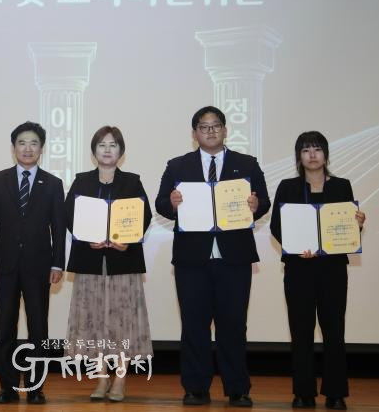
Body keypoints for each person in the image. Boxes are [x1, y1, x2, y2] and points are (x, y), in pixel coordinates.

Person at [155, 105, 270, 407]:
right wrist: (172, 203)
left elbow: (264, 201)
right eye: (203, 127)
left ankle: (238, 389)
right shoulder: (178, 166)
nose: (210, 131)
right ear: (194, 133)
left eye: (216, 125)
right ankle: (195, 388)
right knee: (194, 325)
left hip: (235, 258)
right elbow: (161, 204)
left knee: (234, 324)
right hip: (192, 259)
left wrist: (256, 204)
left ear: (225, 130)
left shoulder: (246, 164)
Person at [270, 131, 365, 410]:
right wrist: (296, 246)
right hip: (299, 269)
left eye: (317, 149)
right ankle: (303, 392)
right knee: (301, 332)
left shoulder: (342, 186)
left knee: (334, 331)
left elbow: (346, 228)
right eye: (305, 150)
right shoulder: (288, 187)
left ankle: (335, 393)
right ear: (298, 157)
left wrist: (357, 224)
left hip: (332, 270)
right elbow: (277, 225)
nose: (312, 155)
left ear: (326, 154)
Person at [0, 121, 66, 404]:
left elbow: (58, 227)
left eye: (34, 143)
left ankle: (35, 387)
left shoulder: (53, 184)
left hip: (39, 266)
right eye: (22, 143)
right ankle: (7, 387)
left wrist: (57, 263)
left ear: (41, 148)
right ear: (14, 147)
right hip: (3, 265)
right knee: (6, 327)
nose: (27, 148)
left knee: (38, 329)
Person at [65, 126, 153, 402]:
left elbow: (144, 216)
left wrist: (128, 240)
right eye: (101, 145)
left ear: (121, 151)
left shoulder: (132, 182)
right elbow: (69, 215)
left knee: (122, 321)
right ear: (94, 151)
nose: (107, 149)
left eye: (113, 145)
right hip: (90, 261)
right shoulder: (81, 181)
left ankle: (120, 379)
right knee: (94, 321)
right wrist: (85, 237)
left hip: (123, 261)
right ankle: (102, 378)